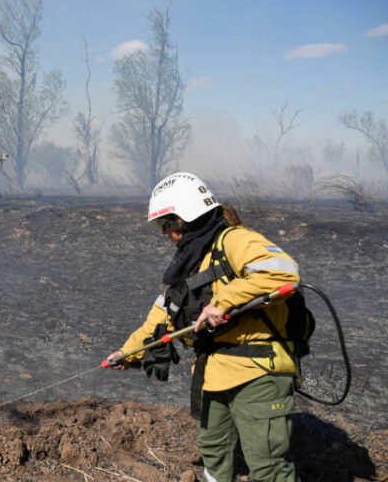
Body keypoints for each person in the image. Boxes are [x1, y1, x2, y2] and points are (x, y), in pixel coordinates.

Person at [106, 172, 301, 482]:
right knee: (214, 454)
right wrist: (129, 353)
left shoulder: (235, 240)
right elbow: (163, 314)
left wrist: (223, 302)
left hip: (257, 371)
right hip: (211, 374)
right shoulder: (189, 261)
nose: (163, 232)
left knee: (268, 467)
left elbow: (284, 273)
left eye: (164, 223)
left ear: (184, 218)